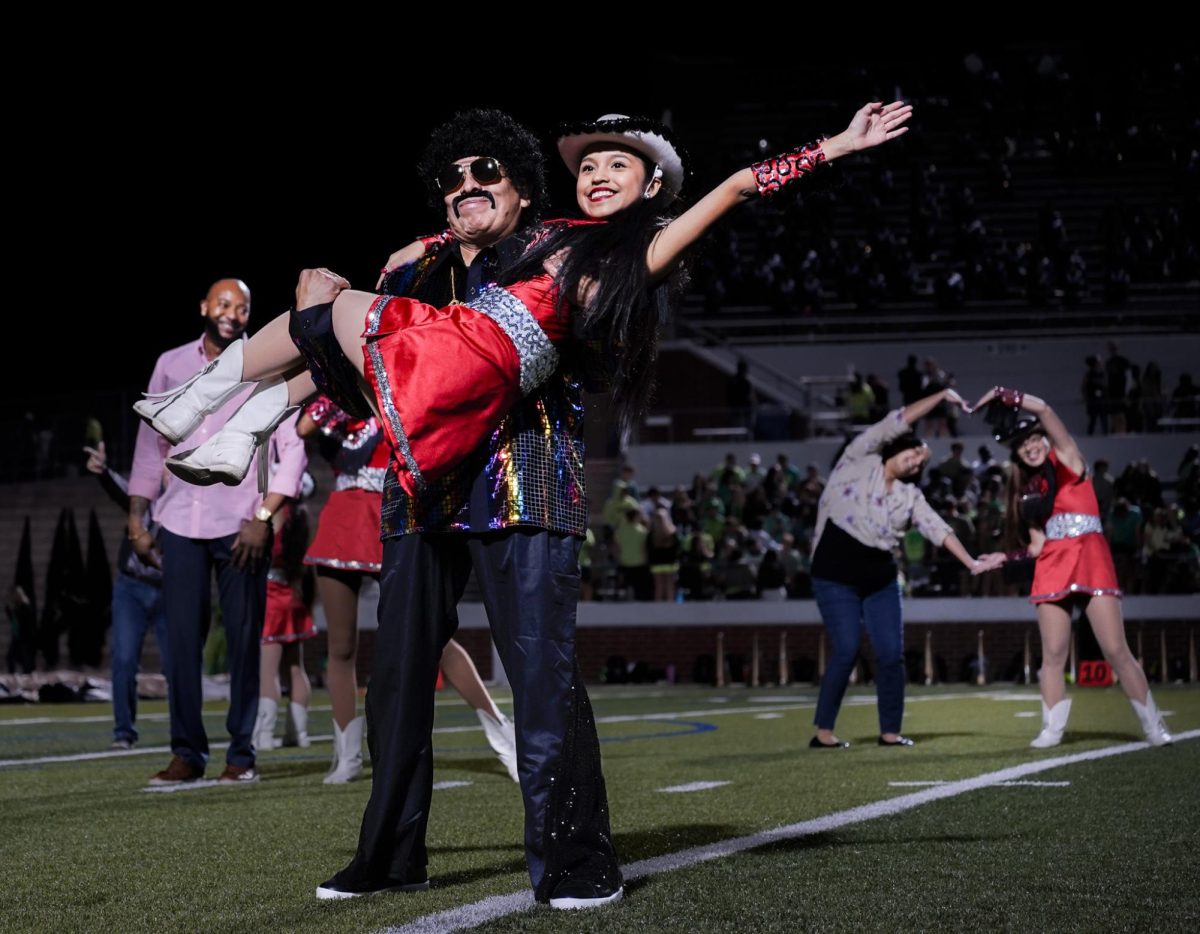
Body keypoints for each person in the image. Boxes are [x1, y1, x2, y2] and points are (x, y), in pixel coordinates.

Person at [135, 102, 913, 904]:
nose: (468, 187)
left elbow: (736, 191)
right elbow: (350, 366)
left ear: (527, 192)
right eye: (453, 180)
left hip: (523, 477)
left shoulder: (579, 248)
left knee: (541, 678)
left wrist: (832, 147)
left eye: (487, 174)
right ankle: (388, 858)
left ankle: (577, 863)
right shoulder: (422, 266)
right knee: (399, 681)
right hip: (423, 486)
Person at [128, 278, 308, 785]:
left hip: (241, 524)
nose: (232, 312)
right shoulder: (171, 362)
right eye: (223, 302)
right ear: (205, 306)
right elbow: (150, 445)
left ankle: (241, 756)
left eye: (242, 306)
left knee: (244, 641)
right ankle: (187, 752)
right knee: (181, 643)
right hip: (179, 519)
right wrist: (136, 517)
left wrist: (263, 518)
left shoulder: (266, 361)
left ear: (250, 315)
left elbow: (290, 449)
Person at [296, 395, 518, 784]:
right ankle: (346, 754)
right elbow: (304, 428)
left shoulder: (398, 387)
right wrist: (343, 385)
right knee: (341, 646)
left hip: (393, 514)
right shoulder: (341, 399)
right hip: (342, 520)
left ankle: (502, 731)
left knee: (433, 634)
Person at [975, 386, 1172, 747]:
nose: (1031, 447)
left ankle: (1153, 725)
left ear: (1045, 439)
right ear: (1017, 454)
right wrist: (1003, 558)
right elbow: (1037, 546)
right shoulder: (1028, 491)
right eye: (1023, 446)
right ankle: (1051, 730)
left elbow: (1047, 408)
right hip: (1053, 563)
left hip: (1091, 557)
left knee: (1115, 649)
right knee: (1053, 654)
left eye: (1034, 439)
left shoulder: (1069, 459)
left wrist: (1005, 395)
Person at [808, 390, 1001, 749]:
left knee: (890, 654)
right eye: (912, 454)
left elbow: (937, 527)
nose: (915, 463)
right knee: (847, 648)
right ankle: (824, 732)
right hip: (834, 574)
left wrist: (971, 562)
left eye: (919, 463)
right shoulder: (857, 459)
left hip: (879, 577)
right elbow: (898, 420)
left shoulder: (909, 496)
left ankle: (890, 732)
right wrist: (942, 395)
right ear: (896, 448)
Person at [83, 441, 167, 750]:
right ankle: (124, 732)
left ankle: (185, 733)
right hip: (132, 586)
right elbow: (121, 488)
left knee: (177, 663)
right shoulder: (143, 494)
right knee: (124, 659)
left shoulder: (190, 496)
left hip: (170, 589)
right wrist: (103, 471)